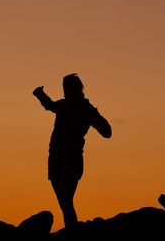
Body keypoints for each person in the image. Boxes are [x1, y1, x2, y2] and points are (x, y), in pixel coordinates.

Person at [33, 73, 112, 228]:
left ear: (75, 89)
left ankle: (72, 231)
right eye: (64, 88)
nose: (64, 91)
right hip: (59, 158)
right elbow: (49, 105)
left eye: (66, 88)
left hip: (69, 159)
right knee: (65, 201)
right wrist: (39, 94)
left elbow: (107, 132)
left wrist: (39, 94)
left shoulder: (83, 108)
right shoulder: (69, 106)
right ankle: (72, 230)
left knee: (65, 201)